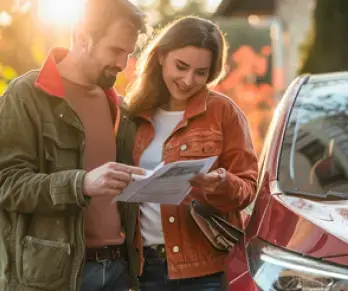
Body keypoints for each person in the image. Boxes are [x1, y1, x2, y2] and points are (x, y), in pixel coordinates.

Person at [0, 0, 147, 290]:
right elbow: (7, 184)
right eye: (116, 50)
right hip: (56, 277)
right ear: (82, 37)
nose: (122, 64)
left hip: (119, 270)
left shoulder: (119, 106)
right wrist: (80, 185)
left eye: (128, 54)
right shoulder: (26, 96)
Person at [117, 16, 259, 291]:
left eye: (200, 72)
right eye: (181, 67)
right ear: (161, 56)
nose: (187, 80)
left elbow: (248, 188)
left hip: (205, 268)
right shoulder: (132, 115)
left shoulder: (223, 113)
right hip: (145, 267)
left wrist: (221, 182)